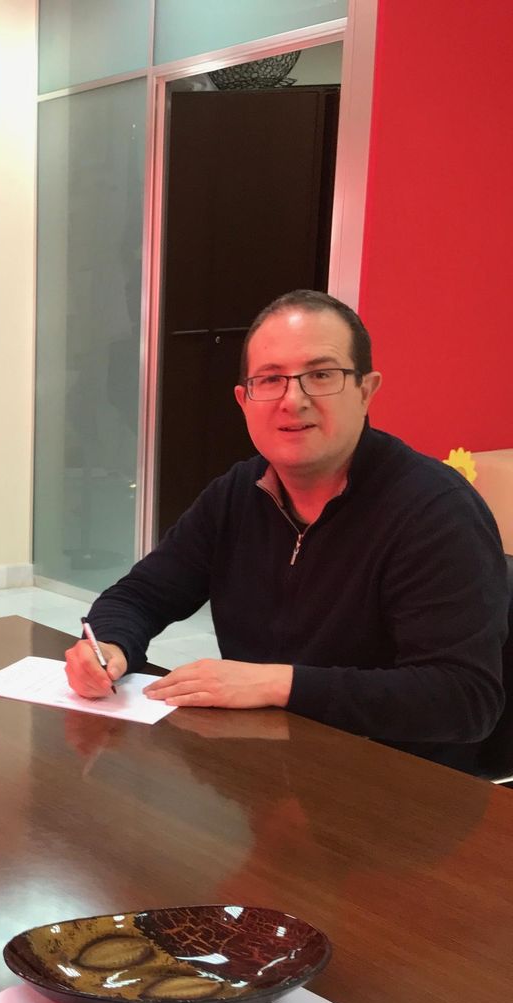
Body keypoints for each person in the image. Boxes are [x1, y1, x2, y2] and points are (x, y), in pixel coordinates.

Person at [65, 290, 507, 768]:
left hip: (399, 783)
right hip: (269, 767)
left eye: (321, 375)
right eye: (270, 379)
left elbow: (463, 698)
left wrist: (278, 683)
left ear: (366, 390)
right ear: (244, 400)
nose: (293, 400)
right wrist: (109, 645)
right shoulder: (237, 494)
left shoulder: (435, 512)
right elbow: (140, 595)